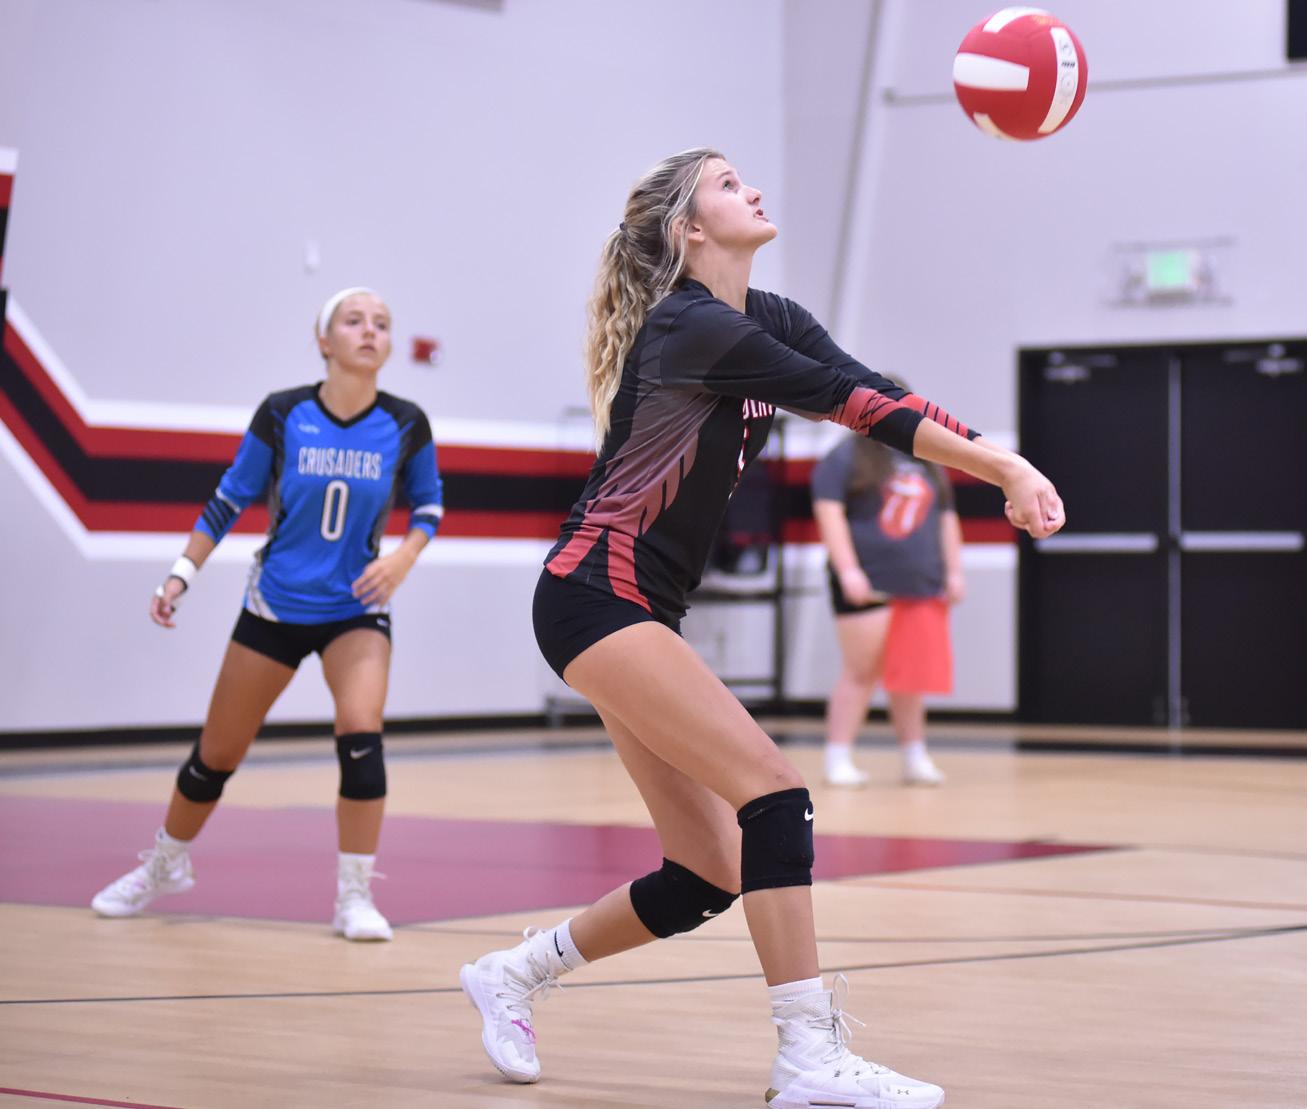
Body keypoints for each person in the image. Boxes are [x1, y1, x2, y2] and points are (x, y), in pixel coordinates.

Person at [459, 149, 1063, 1108]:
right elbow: (854, 407)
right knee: (775, 796)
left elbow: (873, 388)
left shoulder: (766, 316)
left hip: (636, 607)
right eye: (726, 183)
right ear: (689, 228)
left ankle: (511, 972)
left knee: (706, 871)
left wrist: (995, 456)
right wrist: (1001, 467)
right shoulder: (689, 324)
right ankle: (806, 1054)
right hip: (594, 595)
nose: (752, 189)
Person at [90, 288, 443, 942]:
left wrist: (403, 558)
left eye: (382, 323)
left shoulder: (406, 422)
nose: (370, 331)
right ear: (323, 340)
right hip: (275, 604)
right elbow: (228, 499)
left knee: (362, 737)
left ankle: (354, 896)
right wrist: (181, 573)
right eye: (354, 321)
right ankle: (163, 864)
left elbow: (428, 506)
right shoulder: (283, 413)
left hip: (356, 608)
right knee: (216, 755)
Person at [812, 434, 963, 787]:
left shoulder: (927, 454)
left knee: (909, 672)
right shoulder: (845, 455)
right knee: (861, 670)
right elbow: (829, 513)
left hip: (919, 582)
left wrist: (954, 571)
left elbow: (946, 516)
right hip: (869, 580)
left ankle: (914, 755)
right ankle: (838, 755)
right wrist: (848, 570)